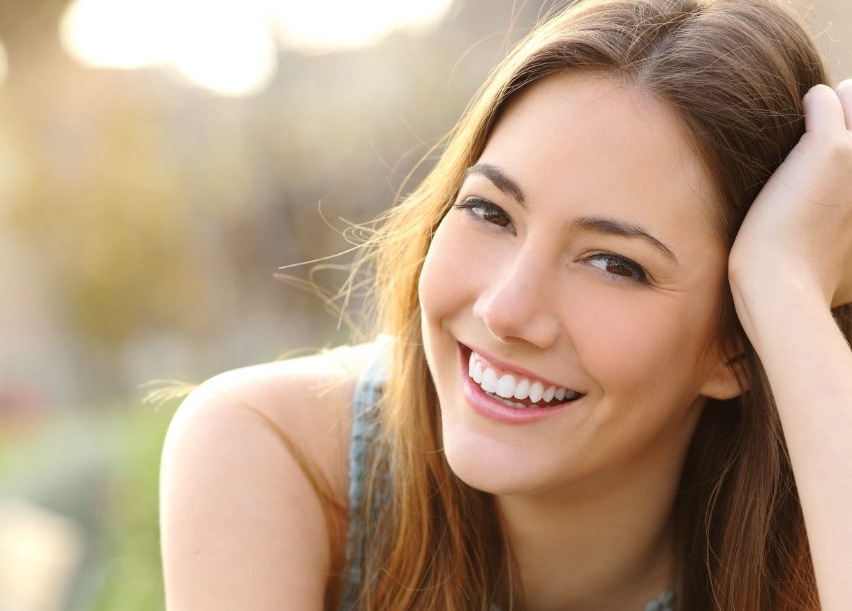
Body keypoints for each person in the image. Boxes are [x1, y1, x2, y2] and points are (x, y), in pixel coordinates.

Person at [159, 0, 852, 608]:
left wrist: (787, 294)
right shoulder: (276, 454)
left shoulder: (817, 525)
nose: (505, 309)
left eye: (614, 263)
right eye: (490, 212)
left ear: (737, 344)